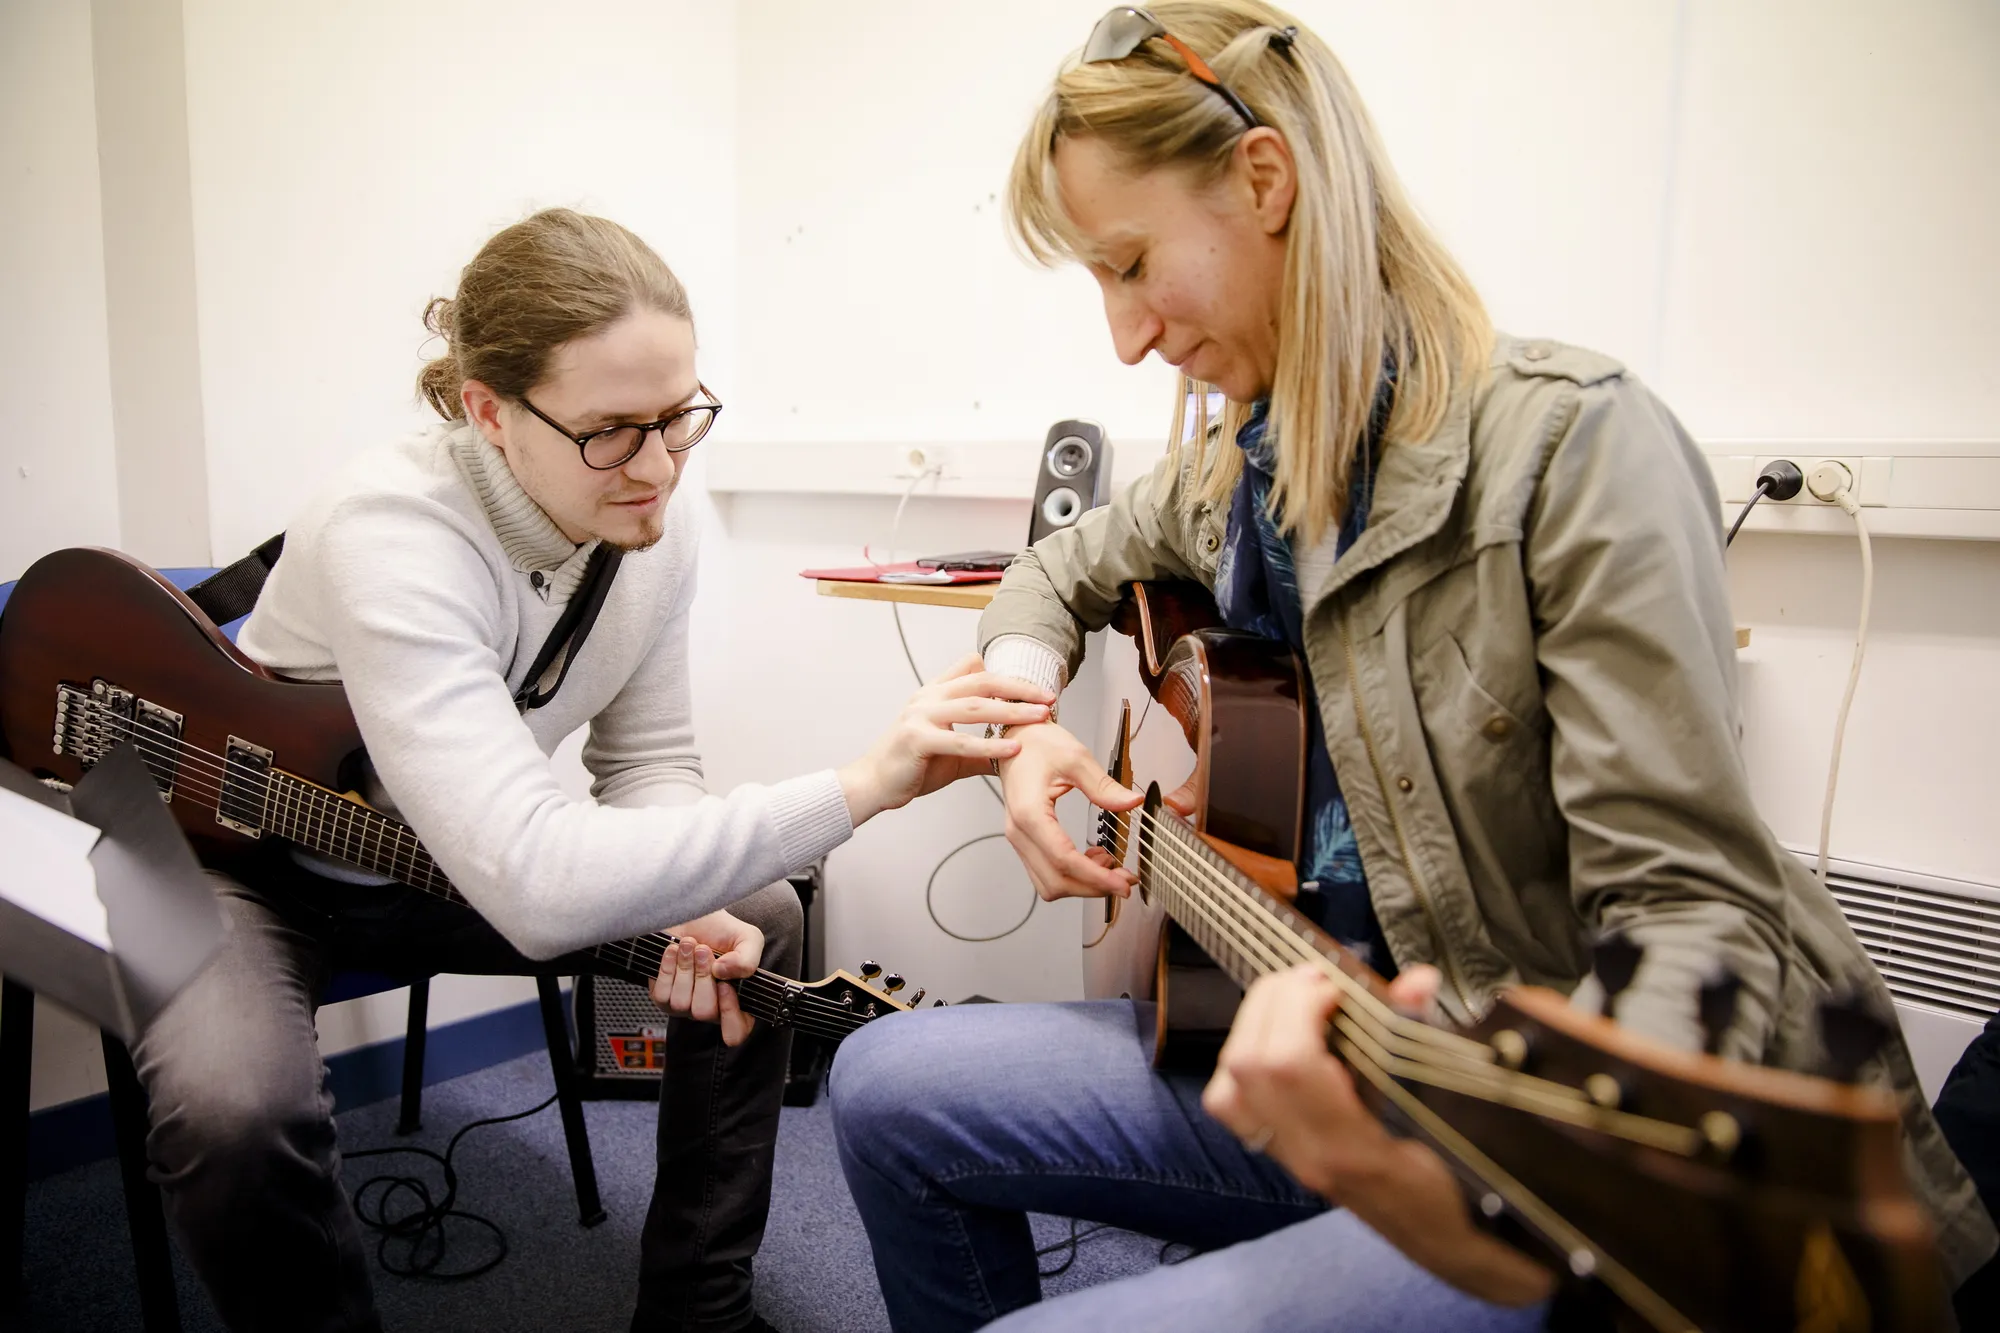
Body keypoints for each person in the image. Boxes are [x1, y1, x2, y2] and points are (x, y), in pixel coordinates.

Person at [826, 5, 1999, 1330]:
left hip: (1553, 1156)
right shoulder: (1231, 477)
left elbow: (1693, 919)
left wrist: (1494, 1171)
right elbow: (1058, 566)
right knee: (877, 1083)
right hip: (1326, 1065)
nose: (1125, 339)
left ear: (1265, 182)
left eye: (1133, 263)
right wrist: (1031, 714)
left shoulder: (1570, 449)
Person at [129, 208, 1051, 1333]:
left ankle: (694, 1311)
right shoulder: (390, 530)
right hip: (249, 868)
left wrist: (695, 903)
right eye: (612, 429)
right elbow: (535, 881)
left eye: (679, 416)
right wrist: (863, 785)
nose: (658, 465)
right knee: (232, 1114)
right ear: (488, 410)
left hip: (434, 863)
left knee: (754, 912)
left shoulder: (653, 512)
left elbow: (648, 761)